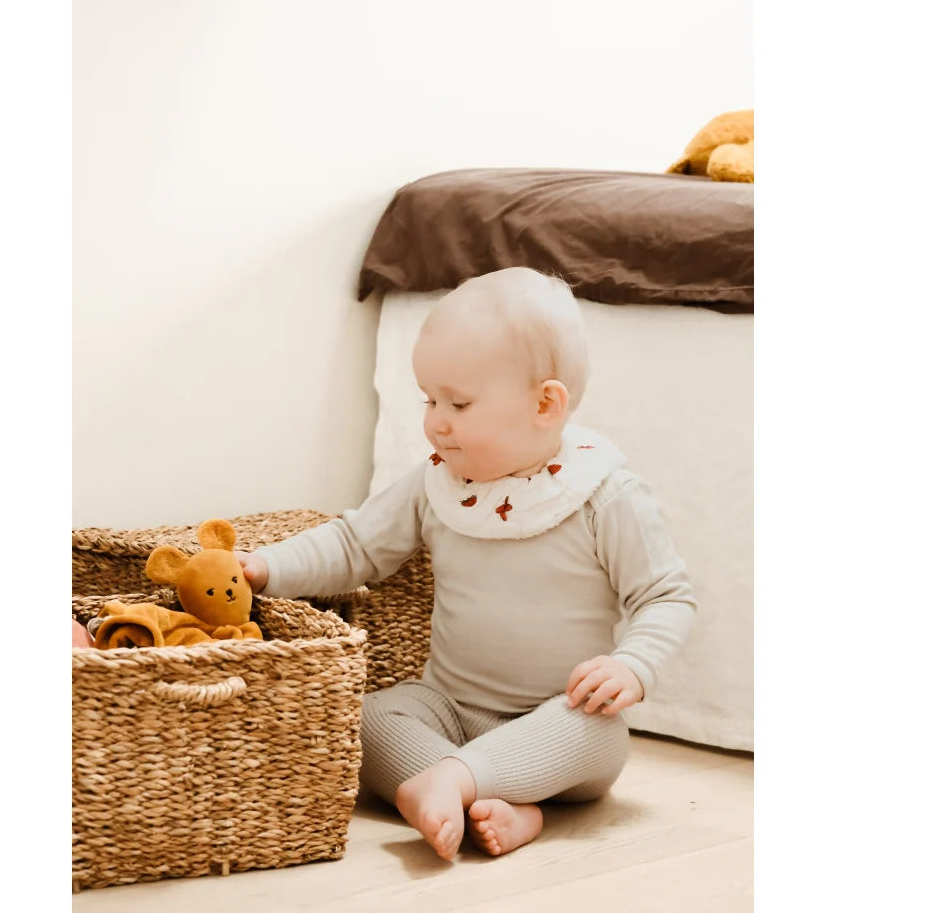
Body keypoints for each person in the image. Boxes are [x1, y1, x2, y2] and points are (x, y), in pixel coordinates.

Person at [236, 267, 697, 860]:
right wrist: (265, 567)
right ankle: (498, 797)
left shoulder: (604, 493)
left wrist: (633, 665)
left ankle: (453, 781)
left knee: (599, 733)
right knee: (373, 713)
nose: (436, 421)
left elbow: (665, 596)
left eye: (459, 402)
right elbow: (355, 545)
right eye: (430, 399)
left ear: (545, 404)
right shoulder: (437, 485)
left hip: (558, 718)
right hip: (449, 706)